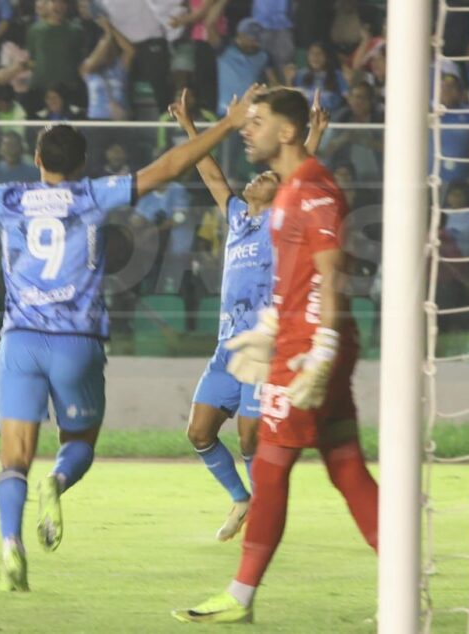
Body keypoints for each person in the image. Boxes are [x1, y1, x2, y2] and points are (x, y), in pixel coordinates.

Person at [0, 83, 277, 591]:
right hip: (78, 342)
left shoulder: (9, 198)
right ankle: (59, 480)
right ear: (84, 161)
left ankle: (11, 543)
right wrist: (225, 124)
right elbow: (169, 168)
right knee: (80, 443)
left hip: (21, 341)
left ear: (35, 158)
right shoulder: (93, 193)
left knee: (12, 458)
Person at [172, 87, 379, 624]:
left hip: (307, 354)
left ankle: (239, 596)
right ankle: (405, 574)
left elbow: (333, 275)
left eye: (256, 121)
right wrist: (271, 324)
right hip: (285, 343)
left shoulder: (310, 192)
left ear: (285, 133)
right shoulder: (279, 201)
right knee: (346, 468)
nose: (246, 127)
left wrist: (322, 349)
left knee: (270, 466)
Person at [167, 87, 329, 543]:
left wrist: (314, 133)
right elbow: (211, 174)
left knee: (250, 439)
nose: (257, 177)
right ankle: (242, 499)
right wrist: (189, 126)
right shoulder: (239, 215)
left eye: (266, 177)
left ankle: (264, 521)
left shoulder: (283, 217)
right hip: (226, 348)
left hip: (264, 349)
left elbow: (297, 169)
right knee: (199, 433)